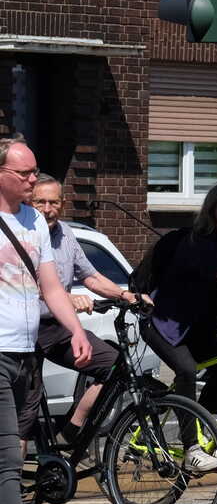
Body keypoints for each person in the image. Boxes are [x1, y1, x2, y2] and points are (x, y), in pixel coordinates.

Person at [0, 139, 89, 504]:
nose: (33, 181)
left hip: (24, 354)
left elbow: (51, 285)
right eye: (25, 174)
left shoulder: (34, 221)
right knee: (9, 461)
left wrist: (75, 329)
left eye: (36, 172)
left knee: (10, 458)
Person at [141, 182, 217, 473]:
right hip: (164, 323)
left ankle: (198, 427)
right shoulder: (198, 241)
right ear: (212, 208)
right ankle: (191, 450)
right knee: (185, 371)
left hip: (196, 329)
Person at [26, 176, 133, 442]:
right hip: (25, 328)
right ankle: (16, 477)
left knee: (114, 363)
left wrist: (126, 294)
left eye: (54, 202)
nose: (47, 209)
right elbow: (24, 283)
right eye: (40, 202)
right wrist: (66, 298)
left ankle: (72, 429)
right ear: (30, 202)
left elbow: (90, 276)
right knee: (25, 409)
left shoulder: (65, 233)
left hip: (57, 327)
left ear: (62, 205)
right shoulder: (21, 233)